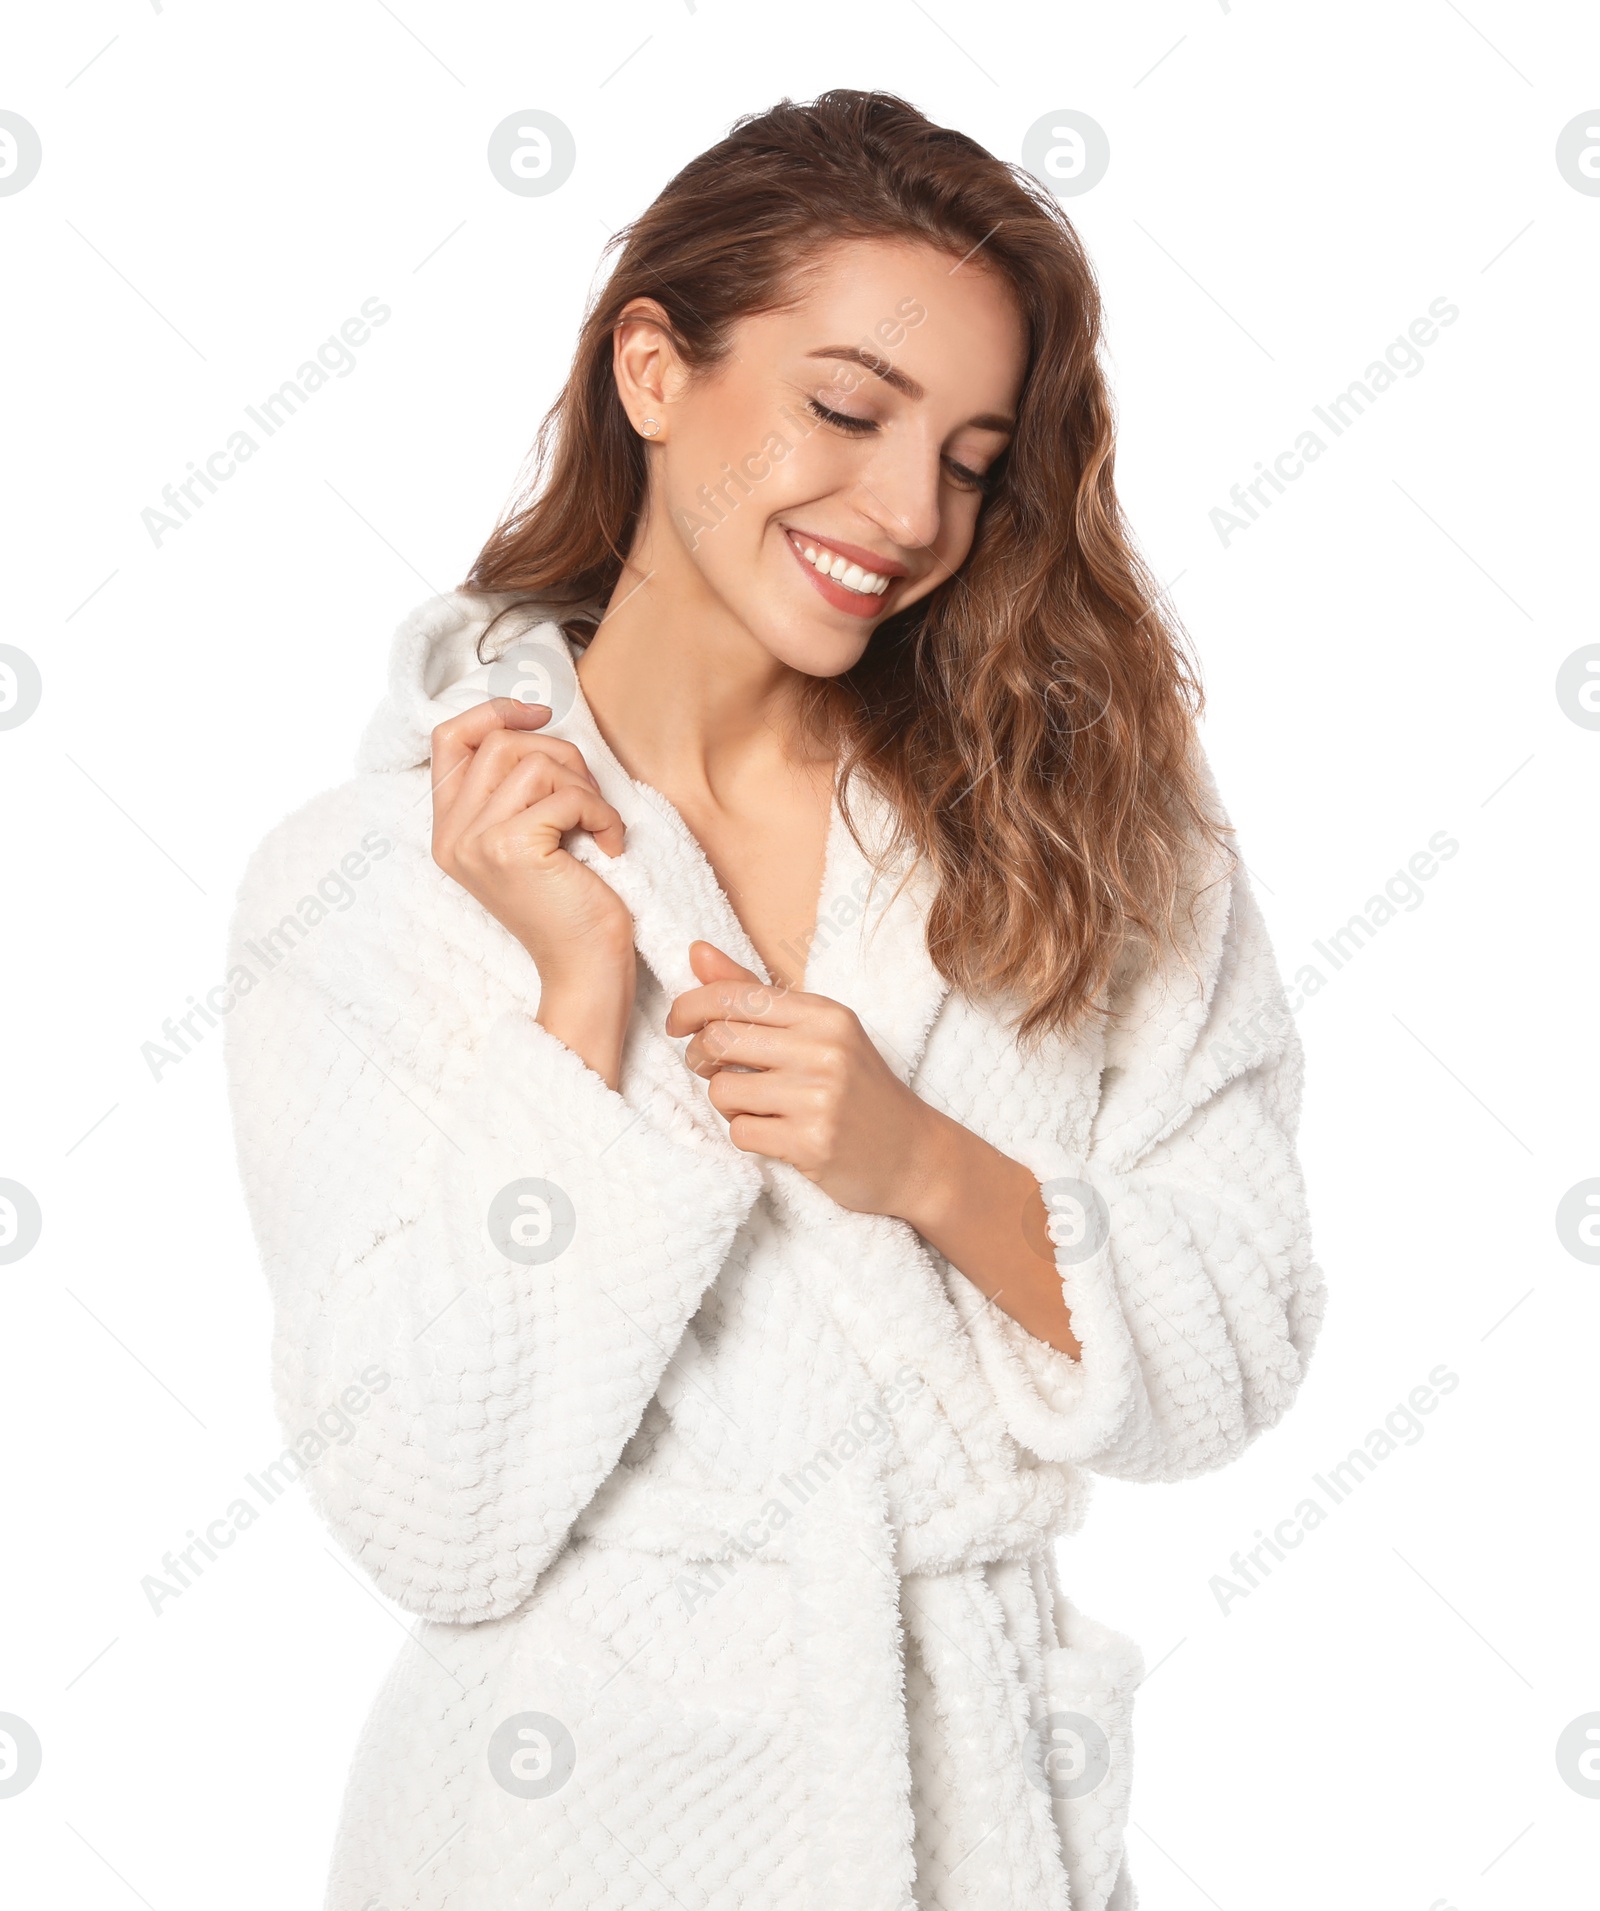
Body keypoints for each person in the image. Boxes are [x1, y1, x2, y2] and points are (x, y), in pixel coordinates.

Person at [225, 88, 1324, 1911]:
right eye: (845, 410)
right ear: (652, 371)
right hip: (551, 1827)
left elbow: (1237, 1345)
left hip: (980, 1805)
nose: (908, 513)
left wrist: (928, 1165)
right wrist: (583, 996)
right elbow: (430, 1507)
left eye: (973, 459)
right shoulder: (365, 889)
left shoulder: (1087, 835)